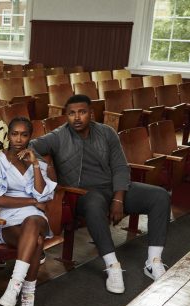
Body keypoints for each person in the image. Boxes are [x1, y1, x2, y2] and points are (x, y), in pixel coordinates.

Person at [29, 94, 171, 293]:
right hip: (82, 194)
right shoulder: (58, 136)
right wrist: (46, 170)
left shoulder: (107, 133)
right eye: (71, 113)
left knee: (160, 195)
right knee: (95, 203)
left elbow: (121, 167)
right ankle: (112, 265)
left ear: (92, 114)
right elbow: (30, 146)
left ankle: (153, 261)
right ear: (66, 116)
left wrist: (118, 198)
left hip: (113, 188)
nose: (77, 117)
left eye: (82, 112)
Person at [0, 117, 58, 306]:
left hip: (35, 216)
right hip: (9, 217)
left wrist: (35, 165)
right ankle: (27, 298)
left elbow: (44, 193)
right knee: (36, 244)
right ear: (8, 136)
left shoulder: (38, 162)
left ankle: (14, 286)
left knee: (34, 221)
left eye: (24, 134)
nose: (18, 138)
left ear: (29, 137)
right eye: (14, 134)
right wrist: (33, 200)